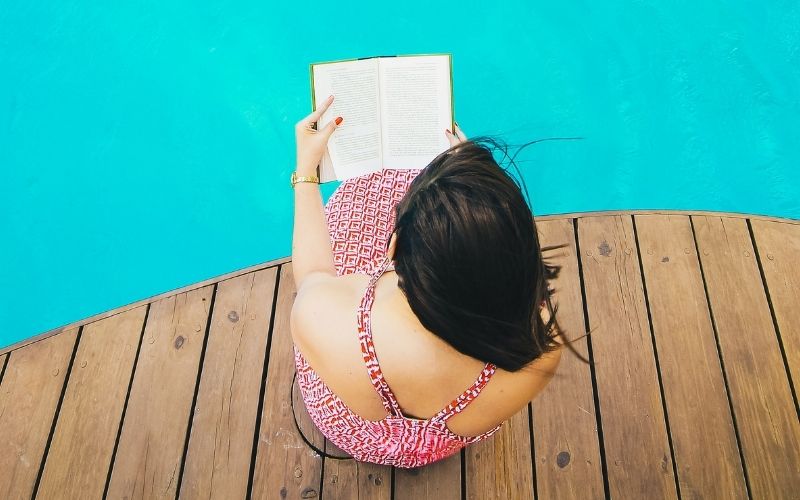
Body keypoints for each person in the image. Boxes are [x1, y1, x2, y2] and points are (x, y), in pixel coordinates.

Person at [289, 95, 564, 468]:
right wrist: (472, 184)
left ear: (393, 245)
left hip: (354, 421)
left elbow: (313, 277)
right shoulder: (542, 349)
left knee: (356, 200)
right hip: (452, 430)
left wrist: (305, 174)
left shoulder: (332, 326)